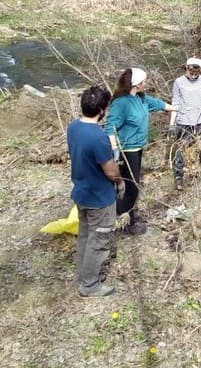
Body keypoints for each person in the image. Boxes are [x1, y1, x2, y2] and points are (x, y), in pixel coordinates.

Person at [67, 85, 125, 297]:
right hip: (99, 198)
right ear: (102, 110)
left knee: (85, 235)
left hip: (81, 193)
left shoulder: (73, 127)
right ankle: (90, 285)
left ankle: (82, 275)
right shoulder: (98, 137)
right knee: (99, 241)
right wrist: (120, 183)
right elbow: (110, 170)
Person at [104, 68, 176, 235]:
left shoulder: (142, 99)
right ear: (136, 84)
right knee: (132, 188)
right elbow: (110, 127)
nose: (146, 83)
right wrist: (115, 151)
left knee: (131, 185)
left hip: (137, 148)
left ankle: (121, 213)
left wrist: (176, 108)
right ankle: (127, 221)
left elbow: (158, 104)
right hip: (126, 150)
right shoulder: (121, 103)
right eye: (144, 81)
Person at [167, 57, 201, 190]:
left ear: (200, 70)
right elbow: (174, 103)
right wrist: (172, 124)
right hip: (183, 121)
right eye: (191, 72)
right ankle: (179, 176)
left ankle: (196, 172)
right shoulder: (178, 82)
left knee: (198, 147)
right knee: (181, 149)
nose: (193, 75)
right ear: (186, 68)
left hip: (199, 121)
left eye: (196, 73)